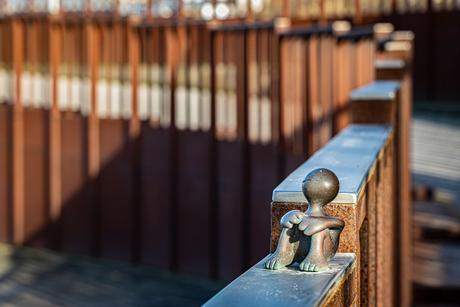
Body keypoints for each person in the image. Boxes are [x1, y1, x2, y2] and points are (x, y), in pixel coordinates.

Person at [264, 168, 345, 272]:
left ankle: (317, 257)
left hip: (324, 253)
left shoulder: (329, 220)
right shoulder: (302, 216)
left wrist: (320, 223)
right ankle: (283, 254)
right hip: (298, 254)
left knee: (319, 228)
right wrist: (287, 218)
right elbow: (285, 223)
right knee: (292, 222)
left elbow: (340, 222)